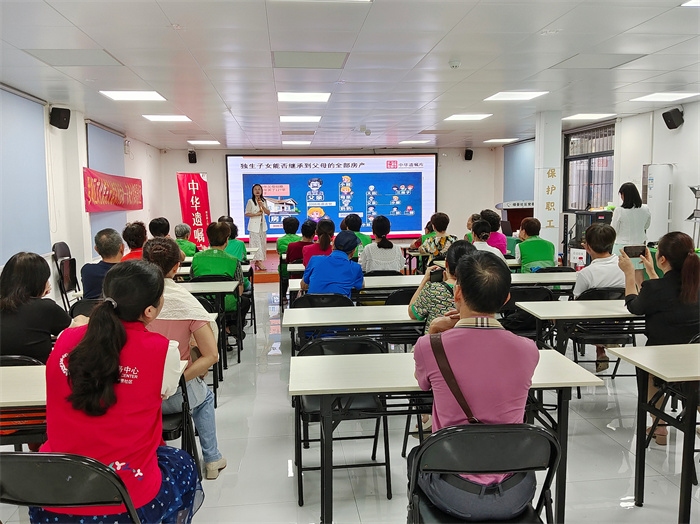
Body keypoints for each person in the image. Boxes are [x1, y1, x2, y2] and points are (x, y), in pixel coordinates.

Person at [29, 261, 203, 523]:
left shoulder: (66, 338)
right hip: (126, 499)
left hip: (54, 493)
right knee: (184, 465)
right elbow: (161, 394)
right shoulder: (162, 351)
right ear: (150, 310)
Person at [411, 251, 540, 521]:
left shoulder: (429, 346)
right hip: (515, 491)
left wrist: (435, 331)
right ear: (506, 298)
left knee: (416, 457)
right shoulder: (529, 349)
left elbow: (423, 385)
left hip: (454, 490)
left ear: (457, 292)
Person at [143, 238, 227, 480]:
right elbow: (212, 355)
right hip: (175, 396)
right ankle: (212, 459)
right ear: (176, 267)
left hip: (137, 394)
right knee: (205, 397)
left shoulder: (134, 301)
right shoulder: (186, 303)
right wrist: (175, 381)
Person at [620, 231, 700, 445]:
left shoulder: (655, 289)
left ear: (662, 259)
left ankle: (660, 426)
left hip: (662, 359)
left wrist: (629, 274)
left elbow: (635, 307)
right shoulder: (695, 285)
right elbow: (666, 296)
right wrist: (650, 272)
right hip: (695, 360)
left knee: (646, 370)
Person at [0, 252, 86, 363]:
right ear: (37, 282)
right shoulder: (46, 308)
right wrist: (81, 318)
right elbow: (77, 331)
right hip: (37, 371)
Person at [573, 223, 625, 372]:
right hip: (619, 323)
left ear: (587, 247)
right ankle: (602, 346)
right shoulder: (624, 267)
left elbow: (577, 302)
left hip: (590, 327)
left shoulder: (586, 273)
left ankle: (600, 346)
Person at [191, 222, 251, 323]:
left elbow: (193, 281)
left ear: (208, 238)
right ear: (227, 240)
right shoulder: (234, 260)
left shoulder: (196, 258)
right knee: (245, 302)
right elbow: (240, 291)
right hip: (227, 303)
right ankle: (230, 326)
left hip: (203, 303)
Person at [409, 240, 476, 327]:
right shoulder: (480, 290)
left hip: (437, 335)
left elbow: (412, 313)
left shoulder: (432, 289)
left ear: (446, 264)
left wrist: (425, 280)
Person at [301, 230, 364, 298]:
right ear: (353, 251)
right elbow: (361, 286)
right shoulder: (355, 268)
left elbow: (303, 285)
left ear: (333, 245)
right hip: (341, 304)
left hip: (313, 303)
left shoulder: (315, 260)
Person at [611, 182, 652, 288]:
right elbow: (647, 226)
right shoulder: (645, 208)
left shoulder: (619, 210)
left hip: (622, 248)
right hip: (639, 247)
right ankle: (641, 296)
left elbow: (613, 230)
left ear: (624, 195)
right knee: (639, 278)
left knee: (621, 278)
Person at [81, 228, 124, 299]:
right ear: (122, 247)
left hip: (91, 306)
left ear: (96, 249)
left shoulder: (87, 270)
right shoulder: (129, 272)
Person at [244, 184, 270, 271]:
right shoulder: (250, 201)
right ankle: (258, 261)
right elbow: (247, 213)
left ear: (261, 191)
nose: (257, 191)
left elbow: (268, 212)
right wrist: (256, 214)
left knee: (262, 244)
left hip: (262, 226)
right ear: (253, 191)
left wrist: (262, 206)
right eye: (255, 189)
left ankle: (258, 261)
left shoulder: (264, 201)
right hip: (254, 226)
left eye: (259, 189)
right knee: (256, 244)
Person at [277, 216, 301, 286]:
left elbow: (278, 252)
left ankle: (283, 292)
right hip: (300, 271)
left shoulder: (279, 240)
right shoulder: (301, 239)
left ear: (284, 227)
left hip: (285, 271)